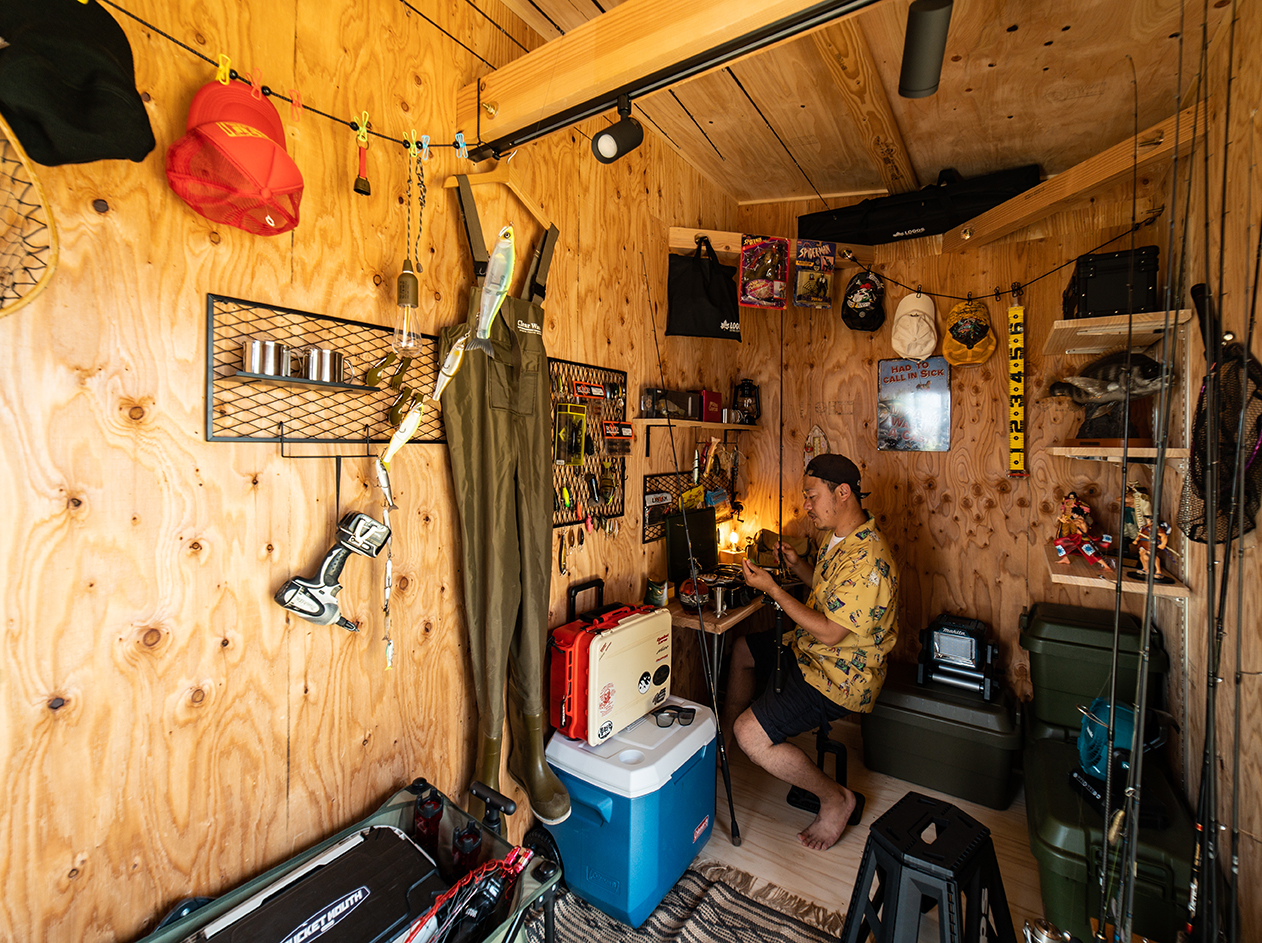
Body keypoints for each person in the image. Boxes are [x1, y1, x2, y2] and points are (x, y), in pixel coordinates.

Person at [731, 454, 900, 851]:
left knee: (750, 735)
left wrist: (773, 589)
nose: (805, 505)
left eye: (811, 496)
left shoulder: (868, 559)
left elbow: (831, 632)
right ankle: (724, 747)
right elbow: (829, 593)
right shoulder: (840, 535)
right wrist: (798, 565)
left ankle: (836, 798)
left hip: (840, 674)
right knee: (742, 650)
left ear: (842, 493)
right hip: (810, 650)